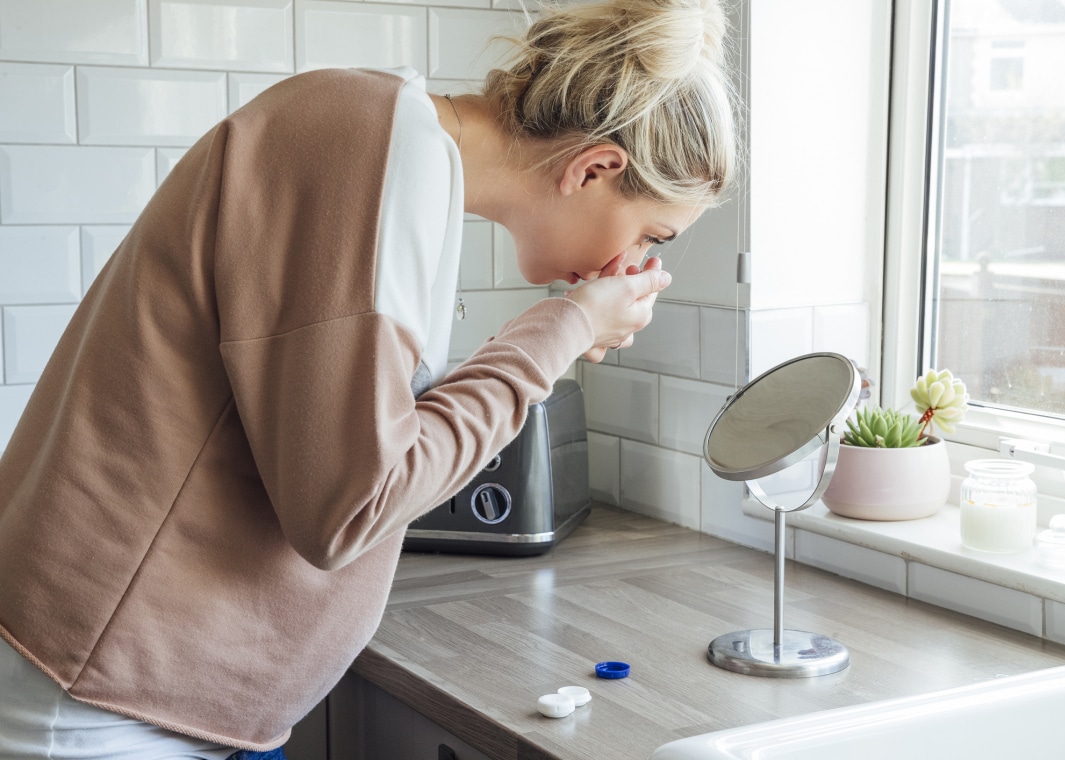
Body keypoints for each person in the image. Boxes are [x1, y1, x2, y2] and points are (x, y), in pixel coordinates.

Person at [0, 0, 736, 757]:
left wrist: (556, 333)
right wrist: (564, 330)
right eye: (650, 234)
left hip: (158, 702)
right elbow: (349, 505)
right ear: (594, 168)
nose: (633, 268)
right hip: (98, 707)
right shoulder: (369, 144)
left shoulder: (403, 161)